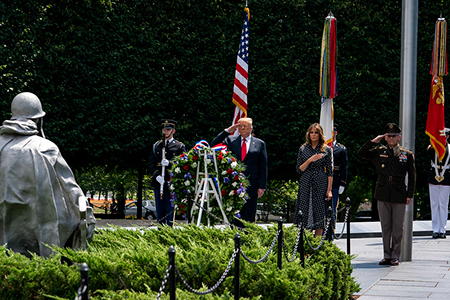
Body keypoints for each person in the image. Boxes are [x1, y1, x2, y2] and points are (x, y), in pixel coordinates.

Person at [0, 92, 95, 258]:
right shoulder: (46, 148)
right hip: (41, 240)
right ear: (38, 119)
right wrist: (87, 215)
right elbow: (71, 190)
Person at [357, 123, 416, 266]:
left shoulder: (406, 154)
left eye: (394, 136)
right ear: (385, 137)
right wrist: (373, 141)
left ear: (399, 137)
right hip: (383, 193)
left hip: (399, 193)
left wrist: (409, 195)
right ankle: (386, 255)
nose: (391, 138)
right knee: (385, 226)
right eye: (388, 136)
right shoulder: (379, 151)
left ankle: (395, 255)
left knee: (397, 227)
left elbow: (413, 176)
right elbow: (361, 153)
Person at [211, 117, 268, 224]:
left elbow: (263, 166)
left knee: (249, 214)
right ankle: (235, 237)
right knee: (234, 214)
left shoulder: (260, 143)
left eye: (245, 126)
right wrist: (227, 131)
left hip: (252, 184)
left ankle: (247, 238)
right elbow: (213, 144)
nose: (242, 128)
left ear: (251, 128)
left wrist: (262, 186)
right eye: (240, 126)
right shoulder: (231, 141)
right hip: (233, 183)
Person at [294, 123, 333, 238]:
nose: (313, 135)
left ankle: (317, 245)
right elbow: (299, 169)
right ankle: (306, 245)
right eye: (311, 132)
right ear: (308, 134)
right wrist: (311, 159)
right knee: (305, 211)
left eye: (316, 133)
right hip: (306, 181)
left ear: (320, 134)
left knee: (319, 213)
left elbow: (330, 172)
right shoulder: (303, 149)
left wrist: (329, 190)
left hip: (320, 181)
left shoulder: (327, 149)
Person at [149, 119, 186, 226]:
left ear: (173, 131)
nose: (165, 132)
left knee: (170, 211)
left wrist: (170, 163)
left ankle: (169, 232)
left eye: (168, 130)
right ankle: (160, 232)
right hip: (159, 183)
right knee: (160, 211)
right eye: (164, 129)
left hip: (171, 183)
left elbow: (183, 163)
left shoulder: (179, 146)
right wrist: (156, 176)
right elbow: (151, 164)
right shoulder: (156, 146)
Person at [427, 129, 450, 239]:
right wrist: (432, 145)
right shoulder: (432, 148)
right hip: (434, 177)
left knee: (443, 205)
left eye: (444, 136)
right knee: (434, 204)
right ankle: (436, 229)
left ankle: (443, 229)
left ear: (447, 137)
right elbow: (430, 154)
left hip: (446, 177)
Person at [332, 126, 348, 227]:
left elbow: (344, 167)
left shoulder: (341, 148)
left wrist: (342, 183)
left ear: (336, 133)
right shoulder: (321, 147)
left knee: (333, 207)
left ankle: (331, 233)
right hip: (322, 180)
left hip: (335, 181)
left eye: (332, 131)